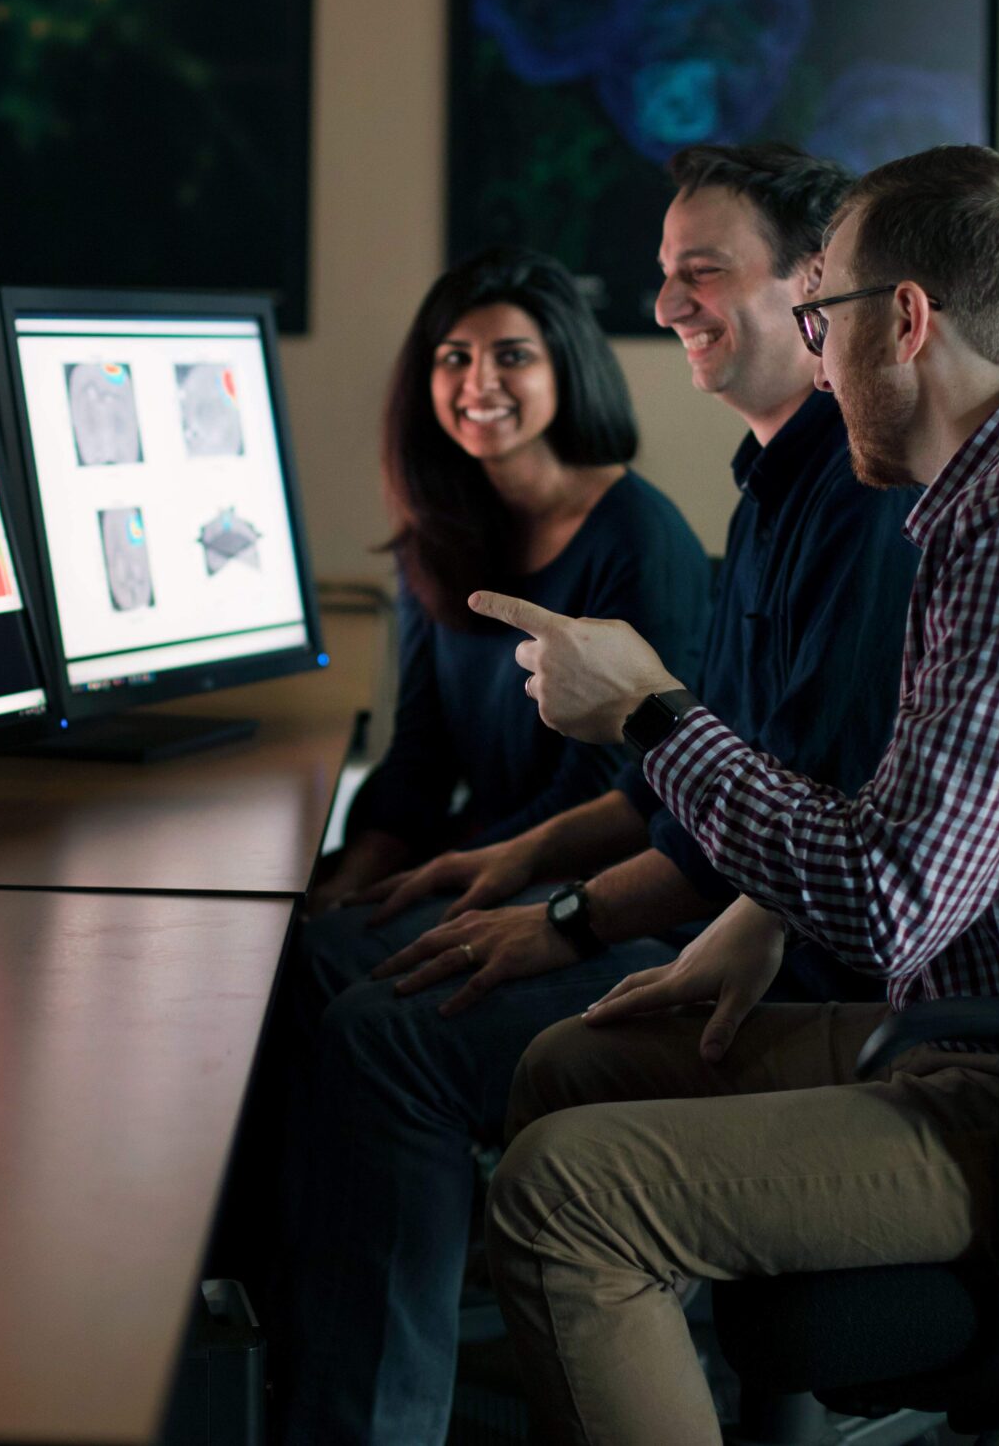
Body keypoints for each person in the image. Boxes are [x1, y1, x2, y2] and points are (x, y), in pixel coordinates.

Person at [469, 145, 999, 1446]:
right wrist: (753, 916)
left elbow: (886, 898)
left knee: (562, 1194)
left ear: (903, 319)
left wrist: (650, 712)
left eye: (821, 319)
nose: (818, 363)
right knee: (575, 1064)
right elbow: (931, 832)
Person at [276, 145, 924, 1446]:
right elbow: (697, 786)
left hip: (796, 972)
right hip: (725, 918)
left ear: (817, 285)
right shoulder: (769, 491)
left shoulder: (851, 503)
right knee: (312, 962)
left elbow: (784, 827)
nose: (671, 302)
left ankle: (364, 1413)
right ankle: (274, 1348)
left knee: (383, 1031)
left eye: (704, 272)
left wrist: (565, 915)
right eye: (665, 273)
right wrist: (518, 870)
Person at [309, 246, 711, 907]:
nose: (479, 384)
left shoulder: (641, 540)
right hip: (478, 848)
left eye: (513, 356)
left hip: (584, 886)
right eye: (454, 358)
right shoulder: (436, 530)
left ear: (565, 369)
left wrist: (432, 879)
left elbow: (603, 796)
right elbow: (418, 755)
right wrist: (357, 876)